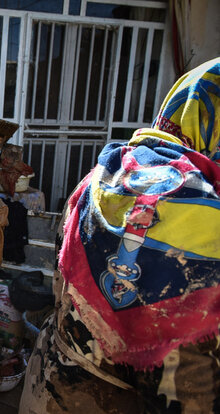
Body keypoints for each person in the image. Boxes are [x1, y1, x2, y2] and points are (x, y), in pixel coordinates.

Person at [19, 57, 220, 413]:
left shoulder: (101, 179)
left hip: (49, 380)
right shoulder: (208, 229)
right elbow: (189, 389)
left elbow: (61, 284)